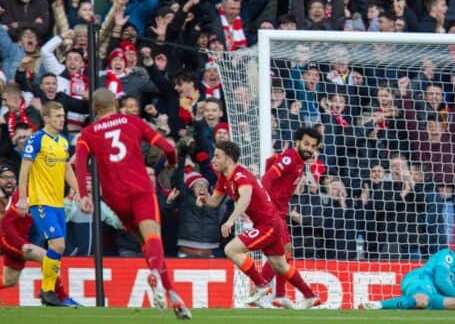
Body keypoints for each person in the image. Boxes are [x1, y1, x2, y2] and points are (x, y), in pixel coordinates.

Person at [74, 88, 191, 319]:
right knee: (153, 237)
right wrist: (170, 164)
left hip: (114, 197)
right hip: (140, 189)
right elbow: (168, 148)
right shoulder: (132, 121)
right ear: (115, 105)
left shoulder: (87, 134)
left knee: (145, 245)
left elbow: (79, 164)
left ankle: (174, 296)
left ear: (95, 109)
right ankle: (156, 276)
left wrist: (83, 195)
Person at [196, 140, 320, 309]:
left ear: (229, 159)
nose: (213, 160)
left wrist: (231, 220)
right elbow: (214, 201)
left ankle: (261, 286)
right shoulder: (223, 177)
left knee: (231, 249)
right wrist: (205, 200)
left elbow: (245, 198)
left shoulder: (241, 175)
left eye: (217, 156)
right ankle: (310, 296)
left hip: (268, 225)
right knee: (281, 265)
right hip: (269, 223)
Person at [16, 101, 79, 306]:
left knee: (57, 248)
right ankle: (47, 290)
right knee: (58, 244)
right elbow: (24, 170)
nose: (61, 119)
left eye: (62, 115)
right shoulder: (36, 140)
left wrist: (79, 191)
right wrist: (23, 198)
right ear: (46, 118)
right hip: (40, 201)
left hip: (57, 202)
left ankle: (48, 292)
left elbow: (67, 168)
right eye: (57, 116)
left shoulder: (62, 142)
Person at [260, 127, 322, 308]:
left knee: (284, 253)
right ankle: (261, 290)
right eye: (306, 144)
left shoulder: (299, 163)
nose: (309, 148)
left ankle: (279, 295)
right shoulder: (290, 158)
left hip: (279, 212)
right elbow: (267, 178)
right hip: (272, 212)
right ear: (297, 142)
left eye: (313, 146)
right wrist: (265, 205)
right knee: (281, 254)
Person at [360, 235, 455, 311]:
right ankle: (376, 305)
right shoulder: (448, 255)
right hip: (420, 279)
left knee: (451, 304)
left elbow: (448, 299)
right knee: (422, 300)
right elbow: (440, 280)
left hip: (432, 294)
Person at [1, 194, 81, 306]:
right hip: (9, 240)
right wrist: (21, 244)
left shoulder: (44, 196)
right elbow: (5, 223)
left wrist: (72, 195)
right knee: (47, 257)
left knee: (9, 280)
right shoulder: (25, 196)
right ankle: (61, 296)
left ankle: (50, 293)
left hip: (19, 239)